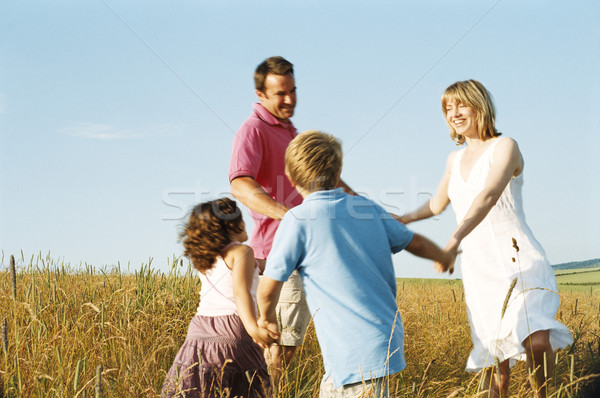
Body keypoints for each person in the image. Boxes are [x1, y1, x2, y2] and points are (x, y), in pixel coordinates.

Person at [399, 80, 573, 398]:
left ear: (479, 105)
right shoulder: (454, 159)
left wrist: (453, 241)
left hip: (517, 257)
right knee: (497, 367)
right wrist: (403, 218)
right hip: (480, 267)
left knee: (536, 339)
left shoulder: (506, 146)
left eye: (460, 105)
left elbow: (489, 194)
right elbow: (437, 203)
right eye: (447, 108)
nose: (453, 113)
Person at [257, 130, 457, 397]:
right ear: (338, 172)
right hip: (379, 344)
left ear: (291, 179)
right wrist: (444, 257)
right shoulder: (366, 208)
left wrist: (266, 319)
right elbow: (415, 242)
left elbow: (268, 288)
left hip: (352, 356)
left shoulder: (297, 220)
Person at [228, 56, 354, 383]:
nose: (290, 99)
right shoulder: (253, 129)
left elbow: (326, 178)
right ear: (261, 94)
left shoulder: (292, 133)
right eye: (280, 93)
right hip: (279, 252)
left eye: (293, 90)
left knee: (287, 344)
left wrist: (364, 208)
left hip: (307, 252)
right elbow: (240, 183)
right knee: (279, 347)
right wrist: (289, 216)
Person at [161, 198, 276, 398]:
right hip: (233, 328)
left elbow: (263, 265)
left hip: (199, 330)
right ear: (235, 224)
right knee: (245, 388)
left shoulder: (208, 257)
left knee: (202, 389)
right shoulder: (242, 251)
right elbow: (241, 293)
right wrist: (253, 328)